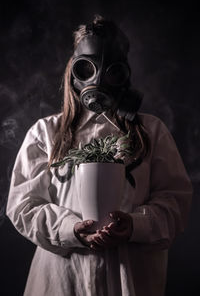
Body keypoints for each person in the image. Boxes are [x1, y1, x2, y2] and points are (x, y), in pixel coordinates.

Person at [6, 15, 192, 296]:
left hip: (131, 280)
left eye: (112, 70)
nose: (98, 78)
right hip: (60, 282)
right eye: (86, 68)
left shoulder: (152, 131)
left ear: (124, 74)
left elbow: (175, 204)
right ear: (73, 70)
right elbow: (23, 206)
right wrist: (70, 230)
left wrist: (134, 226)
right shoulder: (45, 132)